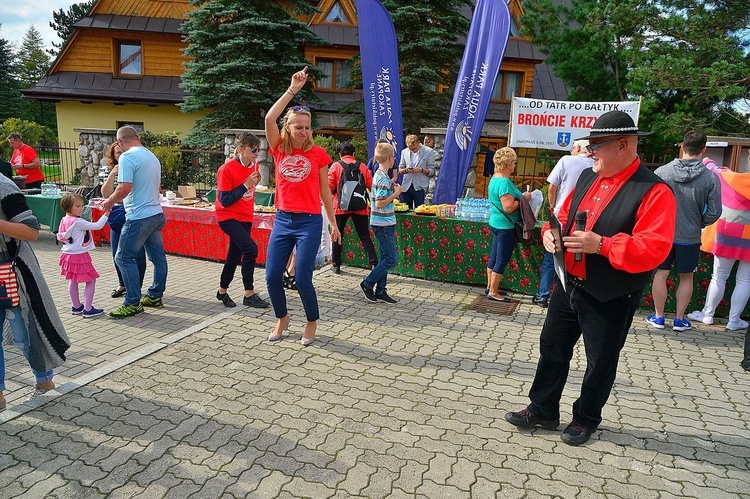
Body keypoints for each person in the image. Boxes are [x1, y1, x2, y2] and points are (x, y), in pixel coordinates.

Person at [505, 111, 677, 446]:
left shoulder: (654, 190)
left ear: (622, 145)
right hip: (569, 282)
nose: (589, 151)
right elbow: (564, 216)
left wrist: (603, 245)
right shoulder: (588, 177)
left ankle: (585, 418)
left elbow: (654, 248)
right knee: (552, 346)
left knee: (600, 361)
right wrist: (550, 234)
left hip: (610, 293)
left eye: (596, 145)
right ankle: (543, 408)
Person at [264, 66, 341, 346]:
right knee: (272, 276)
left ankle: (311, 322)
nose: (303, 132)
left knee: (303, 277)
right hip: (283, 220)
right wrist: (292, 90)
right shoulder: (279, 147)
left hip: (309, 221)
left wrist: (332, 222)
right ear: (288, 126)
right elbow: (269, 117)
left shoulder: (318, 153)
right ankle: (282, 318)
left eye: (307, 127)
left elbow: (324, 190)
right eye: (298, 127)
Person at [0, 174, 69, 408]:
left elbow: (31, 231)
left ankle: (44, 382)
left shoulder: (3, 186)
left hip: (11, 272)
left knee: (26, 333)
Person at [647, 131, 721, 331]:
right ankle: (680, 320)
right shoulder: (710, 178)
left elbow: (650, 203)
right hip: (689, 235)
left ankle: (659, 316)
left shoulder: (662, 172)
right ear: (703, 150)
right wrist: (699, 221)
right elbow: (715, 211)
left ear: (682, 146)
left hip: (663, 233)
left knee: (661, 273)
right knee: (686, 277)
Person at [101, 126, 168, 319]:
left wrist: (110, 201)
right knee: (158, 258)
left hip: (139, 215)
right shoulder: (151, 156)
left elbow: (124, 188)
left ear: (120, 142)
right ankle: (155, 295)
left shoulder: (127, 157)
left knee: (123, 257)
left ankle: (132, 302)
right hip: (156, 213)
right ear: (137, 138)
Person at [532, 140, 593, 308]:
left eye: (573, 146)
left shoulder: (566, 160)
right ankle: (567, 295)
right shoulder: (595, 164)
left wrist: (552, 206)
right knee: (575, 257)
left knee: (552, 258)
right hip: (585, 219)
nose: (572, 149)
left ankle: (543, 294)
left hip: (562, 215)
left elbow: (552, 187)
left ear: (579, 147)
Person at [688, 167, 750, 332]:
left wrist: (709, 162)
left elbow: (712, 168)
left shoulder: (729, 177)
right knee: (745, 280)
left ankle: (707, 315)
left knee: (719, 276)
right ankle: (734, 320)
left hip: (728, 232)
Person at [214, 132, 269, 309]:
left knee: (235, 255)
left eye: (258, 149)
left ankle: (222, 291)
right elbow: (225, 200)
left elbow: (250, 192)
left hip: (245, 216)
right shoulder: (227, 169)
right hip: (228, 216)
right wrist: (245, 184)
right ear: (241, 149)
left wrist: (253, 183)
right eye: (253, 149)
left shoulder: (255, 166)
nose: (257, 153)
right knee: (251, 249)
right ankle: (249, 293)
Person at [102, 142, 146, 299]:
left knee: (137, 252)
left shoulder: (134, 167)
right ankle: (122, 284)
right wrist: (112, 175)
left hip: (134, 214)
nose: (120, 155)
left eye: (122, 151)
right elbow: (106, 194)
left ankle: (136, 287)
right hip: (117, 217)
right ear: (113, 156)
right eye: (117, 153)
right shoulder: (114, 171)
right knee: (116, 253)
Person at [486, 147, 531, 302]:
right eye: (513, 162)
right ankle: (493, 292)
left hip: (495, 222)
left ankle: (490, 286)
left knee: (494, 256)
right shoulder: (504, 182)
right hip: (505, 225)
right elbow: (508, 207)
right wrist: (524, 199)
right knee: (501, 259)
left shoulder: (495, 178)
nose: (514, 165)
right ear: (507, 164)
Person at [359, 142, 402, 304]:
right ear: (390, 158)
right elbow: (379, 203)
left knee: (385, 257)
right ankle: (368, 283)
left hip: (384, 221)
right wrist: (396, 193)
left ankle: (381, 290)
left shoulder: (380, 176)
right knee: (391, 259)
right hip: (382, 222)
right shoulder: (382, 178)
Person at [57, 193, 110, 318]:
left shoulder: (64, 219)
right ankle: (88, 309)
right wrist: (106, 214)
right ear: (68, 207)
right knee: (91, 280)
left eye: (82, 206)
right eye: (77, 206)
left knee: (73, 280)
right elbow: (97, 226)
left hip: (67, 254)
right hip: (79, 255)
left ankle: (76, 306)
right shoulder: (77, 221)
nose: (81, 208)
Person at [328, 141, 377, 274]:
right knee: (365, 236)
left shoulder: (335, 166)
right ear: (353, 153)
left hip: (340, 206)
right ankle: (373, 263)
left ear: (340, 154)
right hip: (360, 206)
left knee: (337, 234)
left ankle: (336, 265)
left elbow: (329, 186)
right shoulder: (362, 166)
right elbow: (371, 185)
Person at [398, 134, 434, 209]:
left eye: (415, 149)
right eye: (410, 149)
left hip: (420, 186)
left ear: (418, 142)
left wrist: (421, 170)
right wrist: (406, 170)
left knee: (420, 211)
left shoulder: (428, 151)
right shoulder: (404, 152)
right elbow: (400, 169)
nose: (413, 151)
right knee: (406, 210)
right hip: (406, 185)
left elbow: (431, 171)